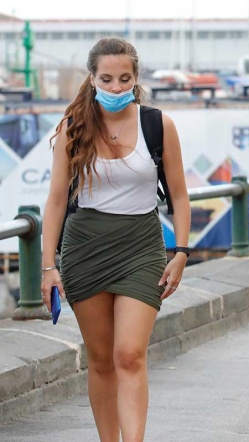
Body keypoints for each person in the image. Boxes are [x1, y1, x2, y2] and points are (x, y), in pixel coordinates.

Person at [40, 37, 191, 442]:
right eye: (106, 79)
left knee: (129, 354)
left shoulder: (158, 124)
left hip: (141, 247)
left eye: (125, 79)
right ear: (92, 78)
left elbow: (179, 195)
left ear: (136, 77)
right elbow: (55, 201)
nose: (116, 87)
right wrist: (48, 266)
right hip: (84, 248)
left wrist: (181, 251)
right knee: (102, 360)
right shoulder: (73, 127)